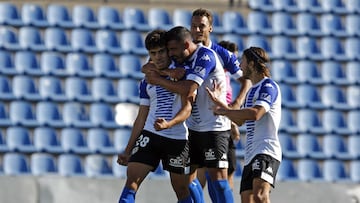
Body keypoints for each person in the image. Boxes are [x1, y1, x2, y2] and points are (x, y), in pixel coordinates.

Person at [145, 26, 234, 203]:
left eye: (172, 50)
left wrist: (159, 79)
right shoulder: (180, 58)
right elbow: (146, 67)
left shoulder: (205, 56)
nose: (170, 54)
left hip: (214, 127)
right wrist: (166, 72)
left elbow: (188, 88)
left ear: (186, 44)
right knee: (188, 181)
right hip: (192, 130)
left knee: (217, 180)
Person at [117, 29, 194, 203]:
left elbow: (187, 108)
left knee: (182, 189)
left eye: (161, 52)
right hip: (151, 134)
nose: (158, 57)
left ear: (168, 50)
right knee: (132, 181)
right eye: (153, 53)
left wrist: (169, 124)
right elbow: (141, 117)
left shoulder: (183, 72)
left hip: (177, 137)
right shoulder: (146, 81)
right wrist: (128, 149)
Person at [206, 46, 282, 203]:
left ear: (252, 65)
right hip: (251, 154)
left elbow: (256, 114)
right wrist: (222, 107)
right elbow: (240, 120)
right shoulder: (252, 91)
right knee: (247, 199)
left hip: (266, 150)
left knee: (260, 196)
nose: (240, 65)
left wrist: (225, 112)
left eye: (243, 61)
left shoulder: (268, 86)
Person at [196, 40, 241, 202]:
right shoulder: (218, 75)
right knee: (212, 176)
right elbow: (218, 104)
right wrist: (233, 122)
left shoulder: (225, 76)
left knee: (221, 175)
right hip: (215, 127)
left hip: (221, 125)